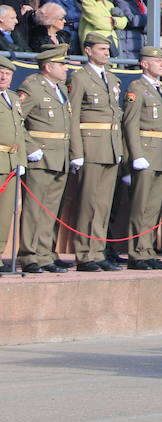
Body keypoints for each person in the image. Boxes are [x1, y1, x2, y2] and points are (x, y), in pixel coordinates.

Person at [66, 33, 125, 271]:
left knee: (103, 204)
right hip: (90, 147)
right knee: (88, 202)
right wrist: (76, 151)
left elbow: (115, 116)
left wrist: (118, 148)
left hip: (110, 147)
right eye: (101, 49)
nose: (106, 53)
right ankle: (84, 253)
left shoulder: (111, 78)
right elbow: (73, 115)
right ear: (88, 50)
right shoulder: (79, 78)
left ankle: (97, 251)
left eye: (107, 49)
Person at [17, 45, 75, 273]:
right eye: (62, 64)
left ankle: (44, 253)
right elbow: (17, 120)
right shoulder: (32, 87)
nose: (66, 68)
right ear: (48, 66)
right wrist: (30, 147)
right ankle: (28, 254)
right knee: (34, 209)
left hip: (59, 156)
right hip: (40, 156)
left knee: (50, 209)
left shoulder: (60, 87)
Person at [121, 46, 162, 270]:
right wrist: (136, 155)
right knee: (140, 206)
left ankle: (147, 249)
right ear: (144, 64)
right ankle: (136, 252)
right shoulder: (137, 87)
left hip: (160, 152)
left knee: (153, 207)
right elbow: (130, 122)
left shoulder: (160, 88)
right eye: (157, 61)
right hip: (145, 150)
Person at [0, 55, 24, 270]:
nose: (3, 76)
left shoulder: (13, 98)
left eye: (7, 74)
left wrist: (21, 160)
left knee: (6, 213)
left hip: (10, 163)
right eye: (0, 72)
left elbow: (20, 131)